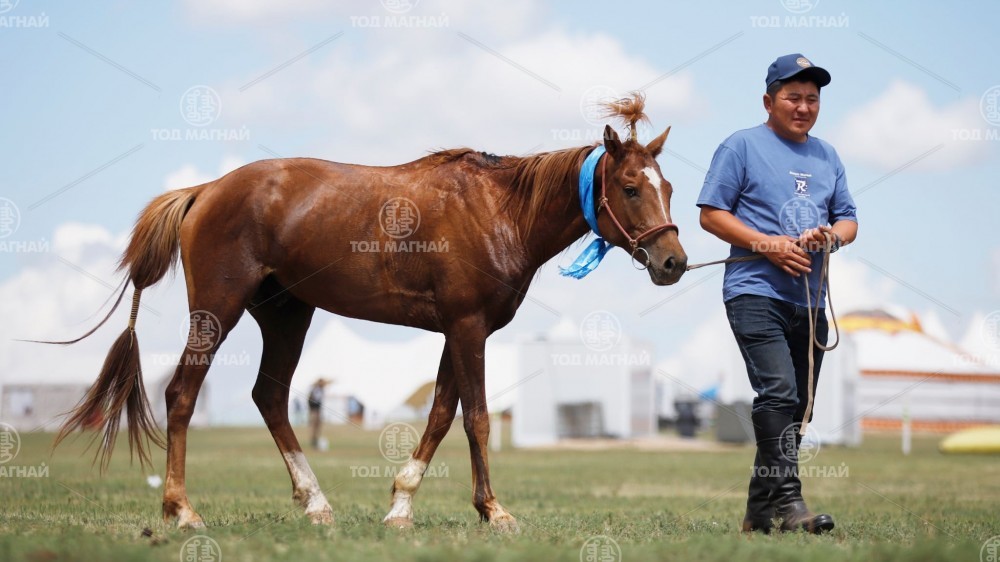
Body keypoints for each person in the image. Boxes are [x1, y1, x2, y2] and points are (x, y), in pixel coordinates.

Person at [697, 53, 858, 534]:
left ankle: (756, 515)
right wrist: (766, 244)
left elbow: (849, 219)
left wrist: (832, 236)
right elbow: (710, 213)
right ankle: (791, 506)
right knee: (779, 392)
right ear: (769, 101)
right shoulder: (740, 146)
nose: (804, 106)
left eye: (812, 99)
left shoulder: (828, 156)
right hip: (753, 290)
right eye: (793, 97)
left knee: (798, 407)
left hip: (809, 302)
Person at [308, 378, 329, 449]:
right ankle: (313, 441)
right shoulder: (315, 390)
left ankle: (316, 440)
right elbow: (312, 400)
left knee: (318, 426)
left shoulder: (321, 390)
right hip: (314, 410)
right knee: (314, 426)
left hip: (318, 410)